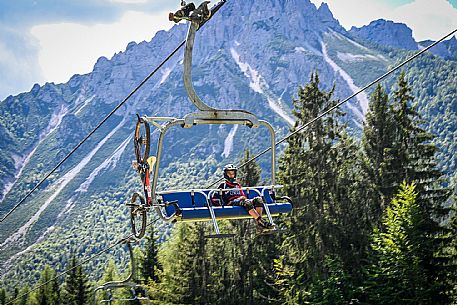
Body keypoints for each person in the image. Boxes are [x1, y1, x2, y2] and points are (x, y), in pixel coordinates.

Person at [215, 164, 274, 233]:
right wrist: (225, 203)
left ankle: (259, 225)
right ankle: (261, 221)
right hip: (231, 202)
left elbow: (243, 196)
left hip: (240, 201)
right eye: (229, 173)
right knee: (246, 202)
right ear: (226, 174)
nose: (231, 175)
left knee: (258, 200)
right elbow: (217, 196)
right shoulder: (223, 185)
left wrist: (243, 198)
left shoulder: (237, 185)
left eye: (233, 173)